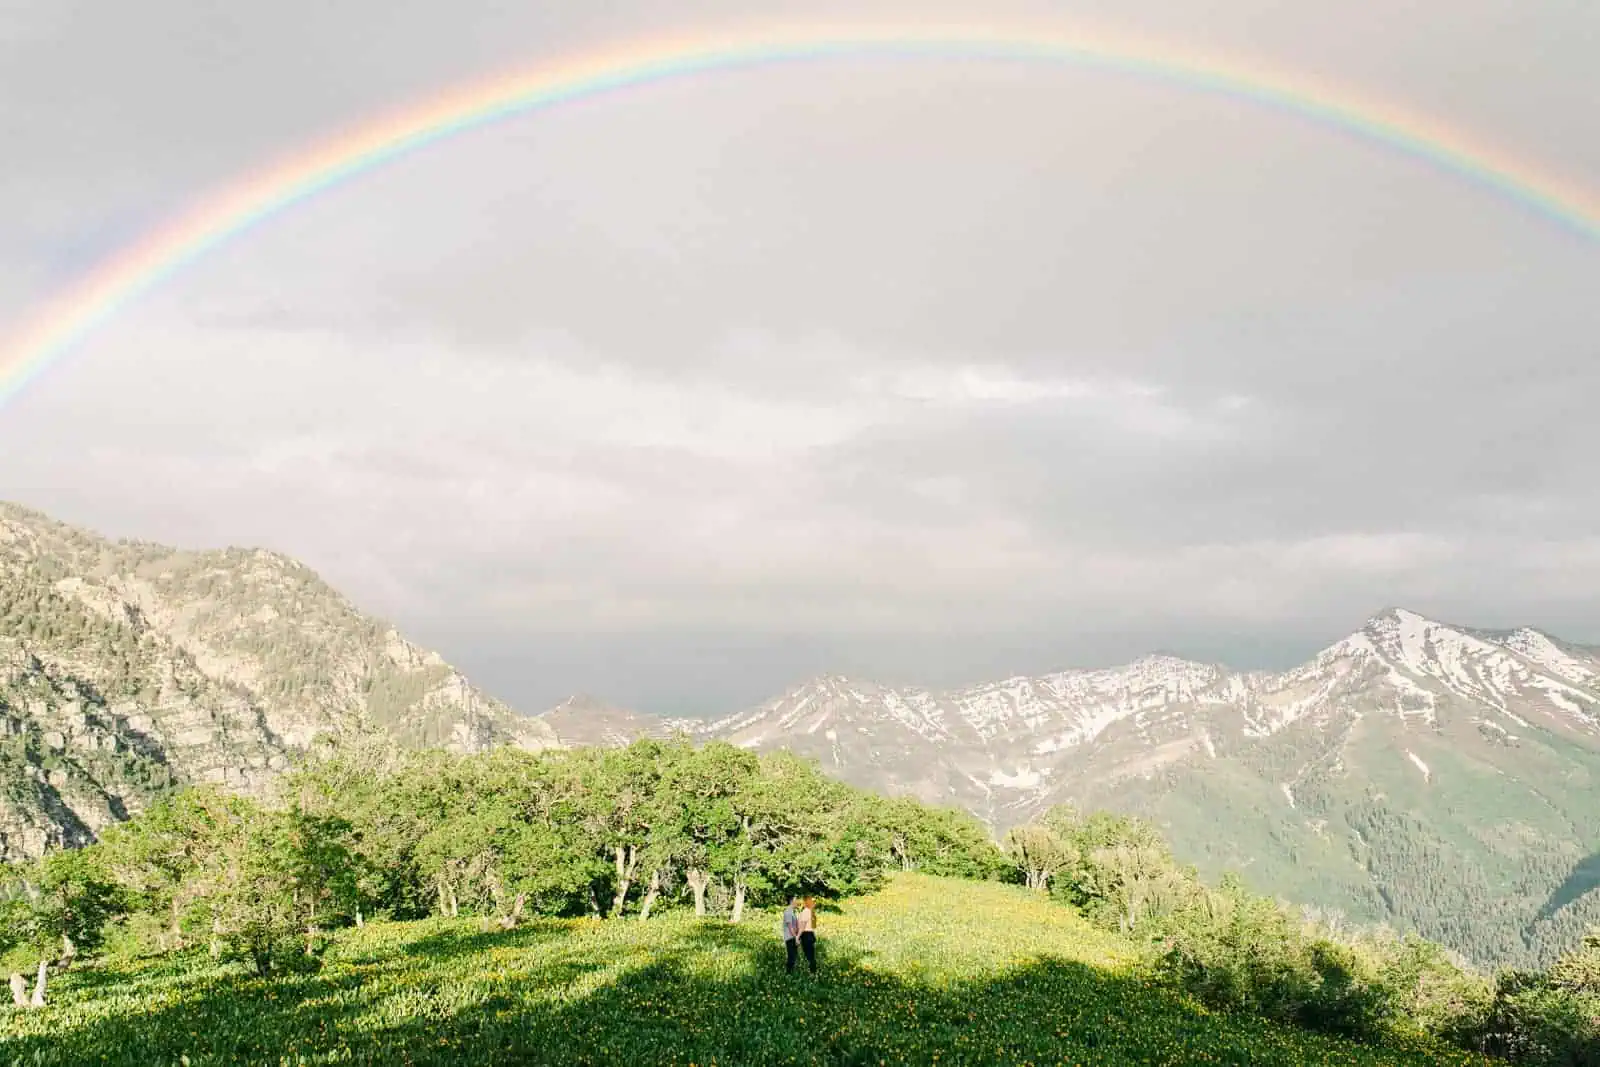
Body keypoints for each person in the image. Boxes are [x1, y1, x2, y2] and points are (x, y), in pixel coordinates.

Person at [796, 895, 818, 973]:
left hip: (806, 935)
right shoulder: (811, 912)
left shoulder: (806, 912)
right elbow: (814, 926)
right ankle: (813, 972)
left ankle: (812, 972)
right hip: (810, 934)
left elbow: (802, 926)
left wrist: (797, 937)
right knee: (810, 956)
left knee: (809, 957)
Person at [781, 896, 801, 973]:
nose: (797, 902)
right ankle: (788, 975)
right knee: (791, 957)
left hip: (793, 937)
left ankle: (791, 974)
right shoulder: (788, 912)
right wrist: (796, 938)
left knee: (794, 957)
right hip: (790, 938)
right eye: (796, 900)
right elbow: (790, 927)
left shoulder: (792, 912)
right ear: (792, 901)